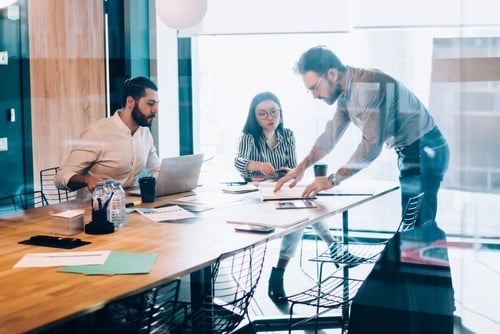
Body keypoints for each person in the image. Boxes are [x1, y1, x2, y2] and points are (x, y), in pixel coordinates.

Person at [275, 46, 450, 229]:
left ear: (332, 74)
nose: (314, 96)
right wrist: (301, 167)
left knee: (417, 228)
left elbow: (371, 147)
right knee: (414, 227)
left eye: (314, 88)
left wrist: (332, 180)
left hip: (426, 149)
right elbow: (330, 136)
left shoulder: (369, 87)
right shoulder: (345, 96)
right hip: (411, 151)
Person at [234, 91, 337, 304]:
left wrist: (288, 171)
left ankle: (279, 273)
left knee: (302, 211)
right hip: (259, 196)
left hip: (282, 189)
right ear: (254, 117)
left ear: (280, 113)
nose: (269, 118)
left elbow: (293, 166)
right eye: (262, 114)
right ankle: (334, 247)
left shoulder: (288, 135)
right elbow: (239, 163)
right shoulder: (248, 137)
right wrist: (255, 166)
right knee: (301, 211)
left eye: (274, 112)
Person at [55, 76, 161, 196]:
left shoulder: (145, 134)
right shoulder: (97, 132)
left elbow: (155, 170)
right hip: (94, 207)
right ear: (130, 102)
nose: (155, 110)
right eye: (150, 104)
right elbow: (61, 177)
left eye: (157, 104)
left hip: (129, 205)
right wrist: (87, 179)